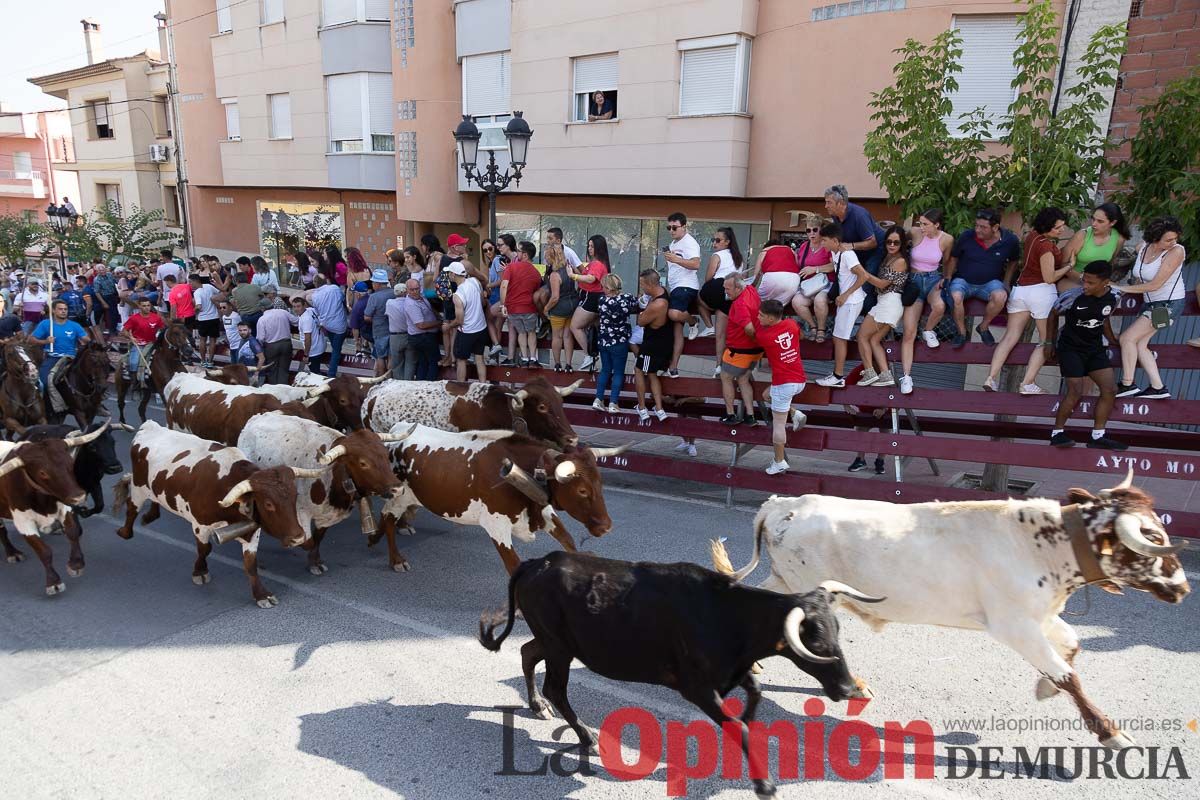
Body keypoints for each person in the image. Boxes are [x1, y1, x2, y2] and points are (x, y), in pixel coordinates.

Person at [982, 207, 1072, 394]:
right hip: (1041, 293)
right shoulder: (1046, 246)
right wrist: (1069, 266)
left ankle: (990, 378)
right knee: (1045, 340)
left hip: (1021, 290)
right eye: (1057, 228)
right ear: (1047, 227)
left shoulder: (1032, 236)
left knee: (1008, 338)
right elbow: (1049, 277)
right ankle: (1027, 383)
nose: (1061, 230)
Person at [1044, 261, 1125, 450]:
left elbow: (1104, 319)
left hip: (1094, 349)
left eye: (1090, 283)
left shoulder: (1114, 296)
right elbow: (1053, 314)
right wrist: (1049, 342)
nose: (1085, 286)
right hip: (1070, 348)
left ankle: (1097, 436)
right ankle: (1057, 433)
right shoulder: (1073, 297)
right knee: (1076, 391)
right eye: (1084, 280)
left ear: (1105, 282)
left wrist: (1113, 339)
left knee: (1110, 389)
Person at [1116, 216, 1187, 400]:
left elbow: (1155, 284)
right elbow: (1140, 276)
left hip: (1168, 304)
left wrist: (1123, 288)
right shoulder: (1143, 247)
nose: (1174, 242)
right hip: (1151, 303)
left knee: (1126, 338)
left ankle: (1127, 384)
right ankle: (1158, 387)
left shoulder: (1177, 251)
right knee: (1140, 344)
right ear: (1155, 239)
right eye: (1168, 239)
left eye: (1175, 238)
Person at [945, 208, 1021, 347]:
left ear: (995, 227)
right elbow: (954, 257)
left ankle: (983, 327)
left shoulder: (1010, 240)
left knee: (1000, 296)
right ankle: (961, 332)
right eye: (976, 225)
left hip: (990, 283)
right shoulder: (967, 236)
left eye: (983, 227)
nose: (978, 230)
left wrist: (1006, 281)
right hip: (963, 280)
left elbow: (1014, 261)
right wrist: (948, 278)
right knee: (955, 296)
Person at [898, 209, 953, 394]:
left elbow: (946, 262)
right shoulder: (914, 232)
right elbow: (898, 239)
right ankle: (906, 376)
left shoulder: (946, 239)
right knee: (908, 332)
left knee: (939, 306)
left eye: (925, 224)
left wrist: (946, 277)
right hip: (913, 279)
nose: (921, 227)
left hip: (932, 279)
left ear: (936, 225)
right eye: (920, 223)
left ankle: (928, 330)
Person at [753, 299, 808, 475]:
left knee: (778, 425)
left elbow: (754, 332)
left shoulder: (764, 336)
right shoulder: (792, 324)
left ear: (770, 318)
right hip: (799, 380)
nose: (758, 317)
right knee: (766, 395)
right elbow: (800, 336)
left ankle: (779, 461)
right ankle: (795, 413)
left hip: (783, 383)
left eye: (761, 315)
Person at [815, 222, 869, 388]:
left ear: (835, 240)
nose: (821, 243)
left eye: (824, 240)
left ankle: (838, 376)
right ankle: (837, 374)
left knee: (839, 338)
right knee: (839, 337)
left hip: (851, 301)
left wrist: (845, 295)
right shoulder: (836, 253)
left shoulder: (847, 255)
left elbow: (863, 276)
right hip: (846, 301)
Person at [854, 227, 909, 387]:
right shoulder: (889, 257)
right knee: (874, 340)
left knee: (861, 337)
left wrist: (863, 273)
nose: (892, 245)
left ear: (902, 244)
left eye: (896, 242)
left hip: (889, 303)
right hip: (886, 303)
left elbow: (882, 283)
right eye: (889, 241)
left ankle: (870, 372)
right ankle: (886, 375)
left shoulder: (900, 261)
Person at [824, 185, 886, 310]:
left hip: (875, 251)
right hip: (857, 251)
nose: (826, 206)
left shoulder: (859, 215)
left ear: (841, 203)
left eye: (829, 202)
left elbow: (872, 242)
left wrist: (851, 246)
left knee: (866, 283)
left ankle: (866, 319)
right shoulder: (835, 215)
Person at [696, 227, 744, 378]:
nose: (714, 243)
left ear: (727, 242)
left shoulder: (717, 255)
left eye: (717, 240)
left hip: (718, 287)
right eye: (713, 240)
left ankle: (708, 325)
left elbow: (708, 278)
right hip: (732, 294)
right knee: (722, 334)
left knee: (698, 298)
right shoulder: (739, 258)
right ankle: (720, 366)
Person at [716, 272, 763, 427]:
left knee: (725, 377)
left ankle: (731, 414)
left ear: (738, 288)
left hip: (740, 350)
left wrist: (756, 338)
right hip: (756, 351)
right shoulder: (750, 290)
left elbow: (749, 328)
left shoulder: (740, 304)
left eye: (728, 289)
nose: (725, 292)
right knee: (743, 379)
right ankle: (750, 416)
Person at [662, 212, 702, 377]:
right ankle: (673, 366)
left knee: (674, 314)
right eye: (669, 227)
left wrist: (675, 259)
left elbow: (696, 264)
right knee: (676, 329)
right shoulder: (674, 243)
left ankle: (693, 321)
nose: (671, 230)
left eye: (674, 227)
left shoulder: (689, 242)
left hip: (686, 286)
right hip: (676, 286)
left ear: (684, 227)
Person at [591, 274, 637, 412]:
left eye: (604, 286)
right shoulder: (626, 299)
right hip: (620, 341)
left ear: (609, 288)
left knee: (605, 370)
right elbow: (637, 304)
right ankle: (613, 402)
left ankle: (598, 399)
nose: (602, 289)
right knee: (618, 372)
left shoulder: (601, 301)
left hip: (604, 340)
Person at [30, 300, 90, 404]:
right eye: (60, 309)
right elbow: (31, 339)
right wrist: (46, 341)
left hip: (71, 358)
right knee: (42, 382)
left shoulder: (74, 325)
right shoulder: (46, 324)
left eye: (65, 309)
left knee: (93, 378)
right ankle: (43, 404)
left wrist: (88, 341)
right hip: (53, 357)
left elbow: (86, 338)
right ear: (53, 310)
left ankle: (96, 405)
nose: (63, 311)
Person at [633, 269, 673, 424]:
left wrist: (643, 310)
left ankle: (642, 407)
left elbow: (641, 321)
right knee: (652, 373)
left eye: (643, 284)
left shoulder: (657, 304)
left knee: (639, 370)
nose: (642, 287)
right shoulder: (663, 292)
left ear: (650, 284)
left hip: (653, 344)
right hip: (663, 341)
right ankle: (659, 408)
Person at [1061, 202, 1130, 291]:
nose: (1094, 224)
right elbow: (1063, 264)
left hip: (1098, 282)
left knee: (1118, 294)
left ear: (1112, 222)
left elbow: (1109, 264)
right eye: (1093, 219)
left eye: (1100, 221)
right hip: (1074, 279)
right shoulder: (1082, 235)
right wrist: (1085, 279)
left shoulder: (1119, 238)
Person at [567, 235, 610, 371]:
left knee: (575, 326)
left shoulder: (597, 264)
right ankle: (595, 358)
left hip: (591, 297)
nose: (589, 249)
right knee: (593, 329)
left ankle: (589, 354)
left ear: (599, 248)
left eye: (592, 246)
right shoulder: (597, 263)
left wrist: (573, 276)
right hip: (592, 297)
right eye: (589, 246)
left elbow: (591, 279)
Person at [443, 261, 488, 382]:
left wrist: (448, 326)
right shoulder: (475, 281)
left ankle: (461, 388)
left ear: (453, 274)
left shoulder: (458, 295)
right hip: (481, 328)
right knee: (480, 359)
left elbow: (460, 320)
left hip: (467, 331)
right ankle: (483, 385)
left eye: (449, 273)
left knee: (461, 361)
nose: (448, 276)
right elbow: (483, 302)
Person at [501, 241, 544, 368]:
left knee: (521, 332)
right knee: (531, 332)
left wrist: (503, 305)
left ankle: (524, 358)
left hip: (513, 308)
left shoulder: (511, 267)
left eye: (519, 251)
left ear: (525, 255)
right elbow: (536, 291)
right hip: (529, 307)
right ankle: (533, 359)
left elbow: (504, 286)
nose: (517, 253)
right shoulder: (536, 273)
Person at [788, 228, 835, 341]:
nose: (811, 233)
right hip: (808, 286)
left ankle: (821, 330)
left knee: (820, 300)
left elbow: (835, 265)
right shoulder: (804, 246)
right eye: (808, 230)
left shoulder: (826, 245)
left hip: (825, 283)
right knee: (797, 301)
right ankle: (813, 326)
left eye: (815, 230)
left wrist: (816, 269)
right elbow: (799, 265)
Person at [395, 278, 441, 380]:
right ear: (407, 290)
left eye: (417, 289)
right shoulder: (411, 304)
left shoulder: (421, 297)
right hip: (422, 337)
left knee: (423, 363)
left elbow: (430, 308)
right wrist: (439, 323)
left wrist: (438, 316)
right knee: (432, 363)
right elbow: (421, 325)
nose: (415, 291)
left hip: (423, 337)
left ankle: (421, 384)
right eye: (412, 290)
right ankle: (428, 386)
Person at [543, 243, 579, 372]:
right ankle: (568, 364)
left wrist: (546, 308)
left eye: (546, 256)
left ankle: (557, 364)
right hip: (572, 305)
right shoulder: (569, 269)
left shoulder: (554, 275)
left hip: (559, 308)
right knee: (568, 336)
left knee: (557, 337)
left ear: (551, 257)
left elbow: (555, 297)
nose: (545, 259)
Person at [310, 273, 349, 376]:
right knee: (336, 349)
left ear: (315, 283)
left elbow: (317, 310)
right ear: (326, 281)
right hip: (339, 324)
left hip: (326, 324)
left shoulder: (314, 296)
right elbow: (342, 299)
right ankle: (331, 373)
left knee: (335, 346)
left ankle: (334, 361)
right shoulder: (334, 288)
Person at [121, 297, 166, 382]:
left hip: (153, 343)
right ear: (139, 307)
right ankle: (134, 382)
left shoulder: (156, 318)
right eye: (144, 306)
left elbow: (162, 329)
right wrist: (131, 337)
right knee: (133, 363)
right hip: (139, 344)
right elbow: (124, 331)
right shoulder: (134, 318)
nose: (147, 307)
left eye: (148, 305)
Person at [360, 268, 395, 377]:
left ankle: (381, 379)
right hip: (393, 330)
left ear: (378, 283)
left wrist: (375, 319)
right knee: (391, 356)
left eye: (373, 282)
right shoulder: (394, 292)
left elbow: (367, 316)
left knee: (380, 357)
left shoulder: (374, 297)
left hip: (379, 331)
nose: (372, 285)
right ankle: (390, 379)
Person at [486, 235, 513, 362]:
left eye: (491, 248)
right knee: (498, 325)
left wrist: (488, 285)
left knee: (490, 319)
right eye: (485, 250)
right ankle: (496, 354)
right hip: (501, 295)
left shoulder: (498, 260)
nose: (488, 252)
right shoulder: (496, 261)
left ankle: (496, 347)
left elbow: (503, 281)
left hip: (501, 295)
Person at [256, 302, 294, 385]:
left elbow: (260, 338)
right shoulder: (283, 312)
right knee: (284, 369)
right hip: (286, 344)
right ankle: (283, 387)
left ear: (262, 308)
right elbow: (295, 321)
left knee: (272, 370)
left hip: (271, 346)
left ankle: (274, 390)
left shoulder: (262, 319)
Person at [756, 238, 802, 306]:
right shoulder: (791, 250)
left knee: (759, 302)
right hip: (793, 281)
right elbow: (798, 265)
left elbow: (756, 276)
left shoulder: (764, 251)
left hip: (772, 278)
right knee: (778, 306)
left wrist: (750, 289)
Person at [190, 274, 221, 368]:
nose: (190, 284)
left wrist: (193, 311)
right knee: (212, 341)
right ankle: (210, 361)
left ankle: (203, 361)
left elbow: (198, 306)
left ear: (195, 281)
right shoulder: (209, 286)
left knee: (202, 340)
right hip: (214, 317)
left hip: (203, 319)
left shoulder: (197, 292)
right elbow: (219, 293)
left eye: (190, 282)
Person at [291, 295, 327, 375]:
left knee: (315, 374)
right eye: (294, 307)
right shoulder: (310, 310)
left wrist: (306, 354)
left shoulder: (305, 319)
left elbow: (308, 338)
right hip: (320, 345)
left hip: (313, 351)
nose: (296, 309)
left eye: (298, 306)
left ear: (304, 305)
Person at [165, 275, 196, 340]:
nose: (166, 285)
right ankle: (193, 346)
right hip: (192, 313)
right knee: (190, 332)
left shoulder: (172, 293)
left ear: (169, 282)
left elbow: (173, 308)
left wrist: (172, 319)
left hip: (182, 317)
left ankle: (188, 347)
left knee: (183, 334)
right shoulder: (186, 286)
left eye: (166, 283)